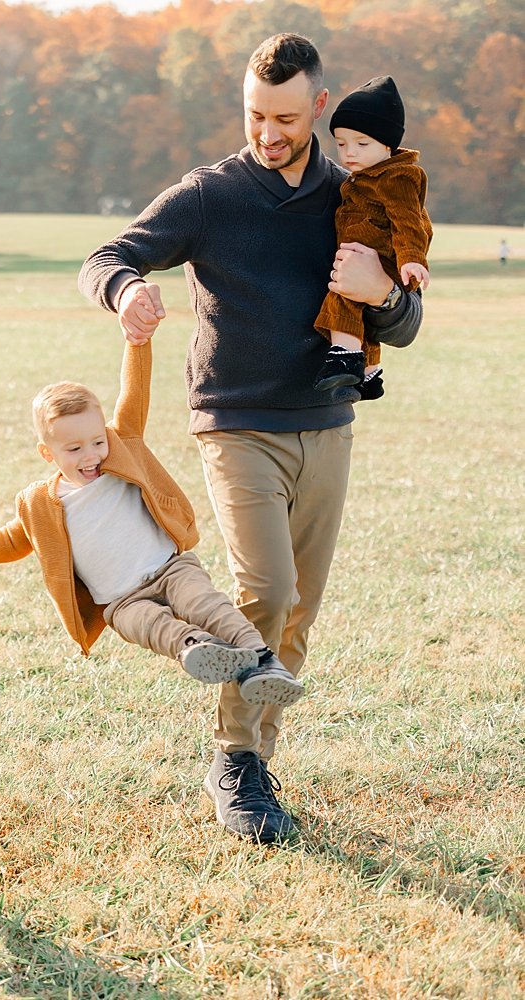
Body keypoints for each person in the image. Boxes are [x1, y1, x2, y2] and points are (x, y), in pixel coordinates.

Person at [78, 34, 424, 843]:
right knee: (265, 591)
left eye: (286, 117)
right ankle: (234, 759)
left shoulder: (356, 192)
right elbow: (108, 255)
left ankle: (257, 760)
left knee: (298, 610)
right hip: (234, 421)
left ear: (320, 107)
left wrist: (382, 295)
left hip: (328, 424)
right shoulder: (211, 196)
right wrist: (125, 290)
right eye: (255, 115)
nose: (268, 132)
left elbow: (404, 319)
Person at [0, 339, 303, 715]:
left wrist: (138, 339)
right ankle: (198, 649)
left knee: (205, 604)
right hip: (121, 602)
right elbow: (9, 540)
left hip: (170, 569)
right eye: (74, 449)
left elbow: (134, 390)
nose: (91, 455)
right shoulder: (41, 503)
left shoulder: (123, 446)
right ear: (47, 453)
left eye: (97, 441)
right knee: (152, 626)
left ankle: (262, 660)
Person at [312, 76, 432, 400]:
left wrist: (411, 259)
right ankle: (368, 374)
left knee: (342, 296)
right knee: (357, 307)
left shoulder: (397, 176)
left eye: (362, 144)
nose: (350, 152)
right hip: (364, 255)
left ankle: (346, 358)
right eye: (341, 143)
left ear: (387, 146)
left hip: (385, 259)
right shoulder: (362, 177)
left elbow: (409, 221)